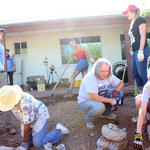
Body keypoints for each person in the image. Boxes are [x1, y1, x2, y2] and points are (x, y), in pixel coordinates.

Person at [0, 85, 70, 150]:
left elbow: (27, 126)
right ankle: (34, 138)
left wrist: (24, 142)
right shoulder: (11, 100)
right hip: (27, 119)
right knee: (28, 141)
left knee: (37, 143)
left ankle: (59, 132)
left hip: (39, 116)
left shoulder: (25, 103)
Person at [77, 58, 124, 129]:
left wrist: (116, 91)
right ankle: (89, 119)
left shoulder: (108, 75)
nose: (105, 73)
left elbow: (121, 83)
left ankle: (106, 113)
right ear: (97, 70)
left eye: (107, 71)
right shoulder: (90, 77)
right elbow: (95, 97)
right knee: (99, 107)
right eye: (102, 71)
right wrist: (111, 100)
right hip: (85, 102)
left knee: (119, 93)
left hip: (100, 97)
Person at [123, 4, 150, 94]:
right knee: (134, 72)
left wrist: (141, 50)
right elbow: (134, 39)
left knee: (142, 73)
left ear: (133, 12)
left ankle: (147, 96)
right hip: (135, 52)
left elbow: (143, 35)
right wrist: (132, 47)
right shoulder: (132, 23)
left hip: (141, 50)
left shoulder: (140, 20)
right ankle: (141, 94)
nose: (126, 15)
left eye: (127, 13)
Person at [0, 28, 16, 135]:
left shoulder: (1, 47)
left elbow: (1, 63)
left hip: (1, 74)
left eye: (1, 34)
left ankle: (9, 125)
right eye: (0, 33)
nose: (1, 36)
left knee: (5, 98)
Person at [134, 68, 150, 150]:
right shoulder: (147, 86)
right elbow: (142, 111)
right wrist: (138, 135)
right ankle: (145, 123)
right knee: (138, 99)